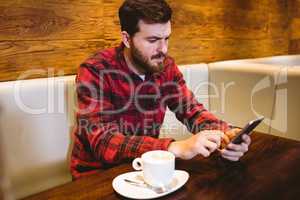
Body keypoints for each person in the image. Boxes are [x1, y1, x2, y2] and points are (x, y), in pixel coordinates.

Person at [70, 0, 250, 179]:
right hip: (97, 176)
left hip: (147, 169)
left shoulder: (165, 66)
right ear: (126, 38)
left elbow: (191, 110)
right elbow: (103, 141)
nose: (163, 49)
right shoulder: (95, 70)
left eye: (166, 39)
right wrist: (174, 148)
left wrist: (227, 135)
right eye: (153, 40)